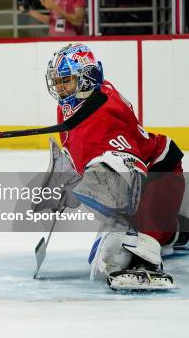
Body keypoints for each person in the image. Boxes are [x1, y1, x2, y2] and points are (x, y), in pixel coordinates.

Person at [39, 42, 187, 290]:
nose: (60, 88)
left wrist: (79, 190)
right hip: (138, 180)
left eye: (66, 80)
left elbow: (131, 172)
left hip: (158, 174)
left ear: (86, 79)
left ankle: (151, 253)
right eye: (57, 81)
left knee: (121, 251)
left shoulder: (106, 114)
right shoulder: (75, 104)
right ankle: (176, 231)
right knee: (102, 253)